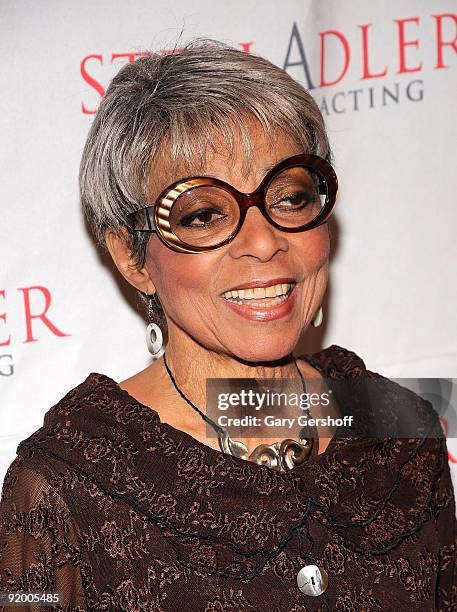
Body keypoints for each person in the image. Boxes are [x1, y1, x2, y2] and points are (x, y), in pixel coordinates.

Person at [0, 40, 455, 612]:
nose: (265, 242)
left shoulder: (397, 428)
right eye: (203, 214)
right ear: (132, 256)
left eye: (289, 198)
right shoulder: (62, 489)